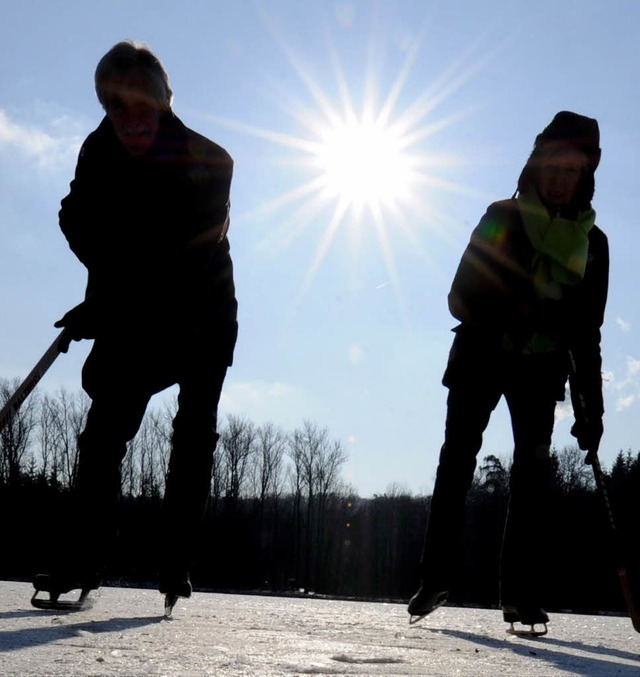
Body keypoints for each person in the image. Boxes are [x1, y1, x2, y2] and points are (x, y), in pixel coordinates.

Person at [32, 40, 237, 610]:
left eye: (143, 106)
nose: (131, 120)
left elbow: (184, 254)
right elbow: (74, 214)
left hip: (202, 311)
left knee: (193, 436)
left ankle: (175, 566)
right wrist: (104, 287)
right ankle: (83, 558)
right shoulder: (99, 150)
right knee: (103, 434)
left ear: (167, 101)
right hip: (130, 309)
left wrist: (109, 300)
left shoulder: (210, 162)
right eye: (116, 108)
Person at [407, 111, 609, 631]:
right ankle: (434, 580)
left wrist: (592, 411)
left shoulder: (595, 244)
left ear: (586, 175)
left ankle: (520, 595)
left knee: (532, 477)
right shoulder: (501, 215)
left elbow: (587, 334)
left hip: (541, 369)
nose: (562, 179)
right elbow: (458, 297)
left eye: (574, 170)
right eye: (554, 166)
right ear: (536, 165)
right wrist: (517, 309)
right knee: (457, 463)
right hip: (482, 354)